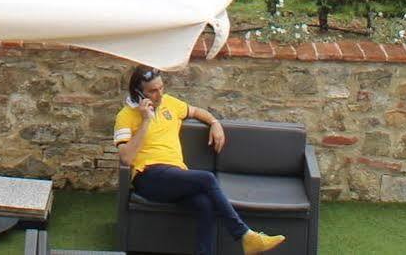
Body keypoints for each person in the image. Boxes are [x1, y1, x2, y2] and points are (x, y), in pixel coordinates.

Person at [115, 66, 283, 255]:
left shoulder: (171, 103)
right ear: (138, 93)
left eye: (161, 88)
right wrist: (146, 120)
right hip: (147, 177)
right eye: (152, 91)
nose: (159, 94)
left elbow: (195, 112)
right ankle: (245, 235)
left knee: (205, 203)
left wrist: (214, 123)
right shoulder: (125, 116)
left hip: (175, 174)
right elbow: (126, 157)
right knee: (207, 179)